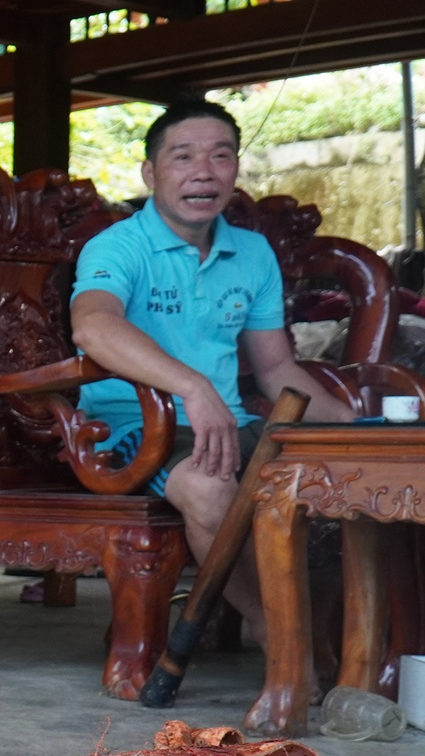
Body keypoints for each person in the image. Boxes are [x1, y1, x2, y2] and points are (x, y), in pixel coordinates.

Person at [71, 96, 356, 634]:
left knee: (358, 481)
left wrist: (353, 423)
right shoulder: (118, 248)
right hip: (133, 429)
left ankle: (353, 637)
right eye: (183, 157)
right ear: (150, 172)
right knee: (208, 488)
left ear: (236, 169)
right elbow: (93, 326)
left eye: (220, 156)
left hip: (231, 425)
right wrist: (193, 387)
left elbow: (275, 369)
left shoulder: (251, 253)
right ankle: (286, 644)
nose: (203, 172)